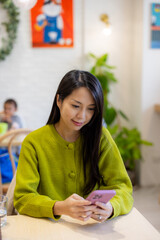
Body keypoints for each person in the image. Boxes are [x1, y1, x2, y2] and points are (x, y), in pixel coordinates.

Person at [14, 70, 133, 222]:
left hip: (93, 228)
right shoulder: (34, 142)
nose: (82, 116)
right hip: (48, 228)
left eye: (91, 109)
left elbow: (123, 187)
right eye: (76, 106)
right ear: (59, 100)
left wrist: (111, 207)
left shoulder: (101, 137)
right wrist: (59, 207)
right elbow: (22, 198)